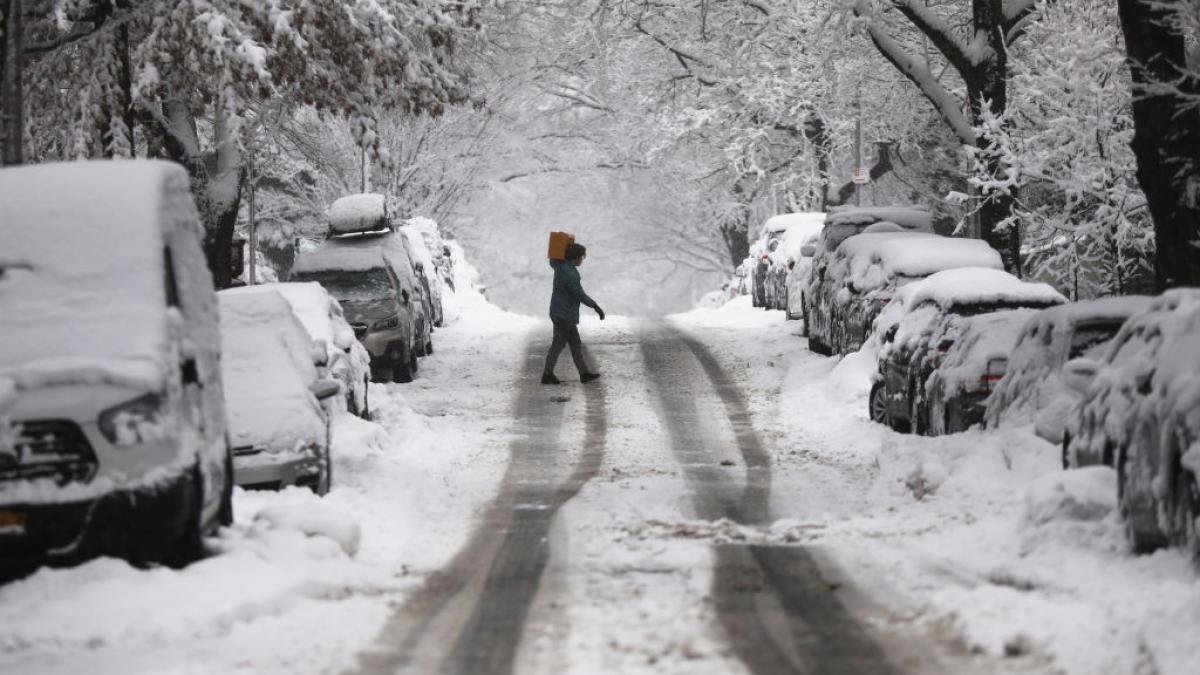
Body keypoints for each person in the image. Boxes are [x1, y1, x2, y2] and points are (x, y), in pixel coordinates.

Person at [542, 242, 604, 384]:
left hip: (559, 311)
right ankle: (547, 375)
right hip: (564, 315)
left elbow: (553, 259)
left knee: (575, 343)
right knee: (558, 344)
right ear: (575, 258)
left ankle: (584, 374)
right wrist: (595, 306)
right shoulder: (569, 274)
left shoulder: (559, 265)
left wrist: (565, 242)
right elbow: (579, 294)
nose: (582, 259)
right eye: (581, 257)